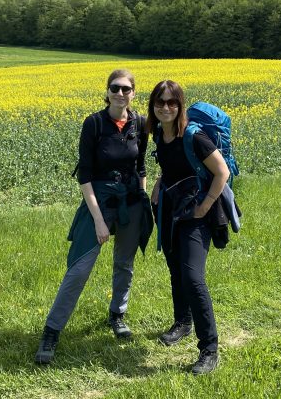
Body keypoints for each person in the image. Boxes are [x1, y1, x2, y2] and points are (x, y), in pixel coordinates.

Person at [35, 69, 153, 365]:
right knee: (79, 268)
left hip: (130, 202)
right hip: (98, 200)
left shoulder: (139, 123)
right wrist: (99, 220)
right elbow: (85, 175)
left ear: (134, 93)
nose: (120, 93)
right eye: (115, 88)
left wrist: (141, 196)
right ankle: (51, 331)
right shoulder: (94, 124)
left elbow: (141, 168)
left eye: (126, 89)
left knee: (124, 263)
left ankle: (117, 314)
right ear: (108, 91)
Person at [147, 80, 230, 375]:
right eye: (160, 102)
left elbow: (222, 172)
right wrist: (159, 184)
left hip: (196, 212)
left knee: (193, 277)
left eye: (172, 102)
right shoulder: (159, 133)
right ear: (153, 106)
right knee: (175, 270)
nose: (166, 107)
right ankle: (182, 322)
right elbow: (171, 166)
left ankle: (209, 349)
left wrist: (205, 207)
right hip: (169, 209)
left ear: (181, 105)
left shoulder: (194, 137)